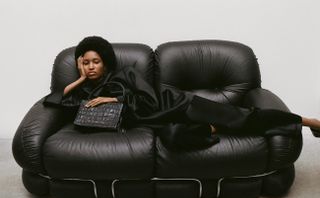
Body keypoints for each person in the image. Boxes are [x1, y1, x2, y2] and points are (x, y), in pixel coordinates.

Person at [44, 36, 320, 150]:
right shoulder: (85, 91)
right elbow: (57, 101)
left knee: (243, 118)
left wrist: (115, 98)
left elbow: (149, 100)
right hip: (160, 123)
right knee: (174, 139)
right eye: (85, 62)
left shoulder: (124, 75)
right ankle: (210, 129)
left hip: (178, 105)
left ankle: (306, 121)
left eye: (95, 61)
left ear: (105, 61)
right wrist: (79, 79)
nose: (91, 67)